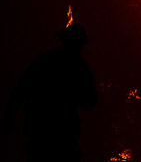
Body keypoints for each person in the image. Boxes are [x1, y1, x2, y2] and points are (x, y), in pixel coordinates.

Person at [7, 23, 98, 162]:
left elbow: (21, 90)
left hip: (39, 133)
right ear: (80, 44)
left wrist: (9, 117)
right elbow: (89, 102)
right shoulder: (80, 67)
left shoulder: (43, 60)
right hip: (64, 137)